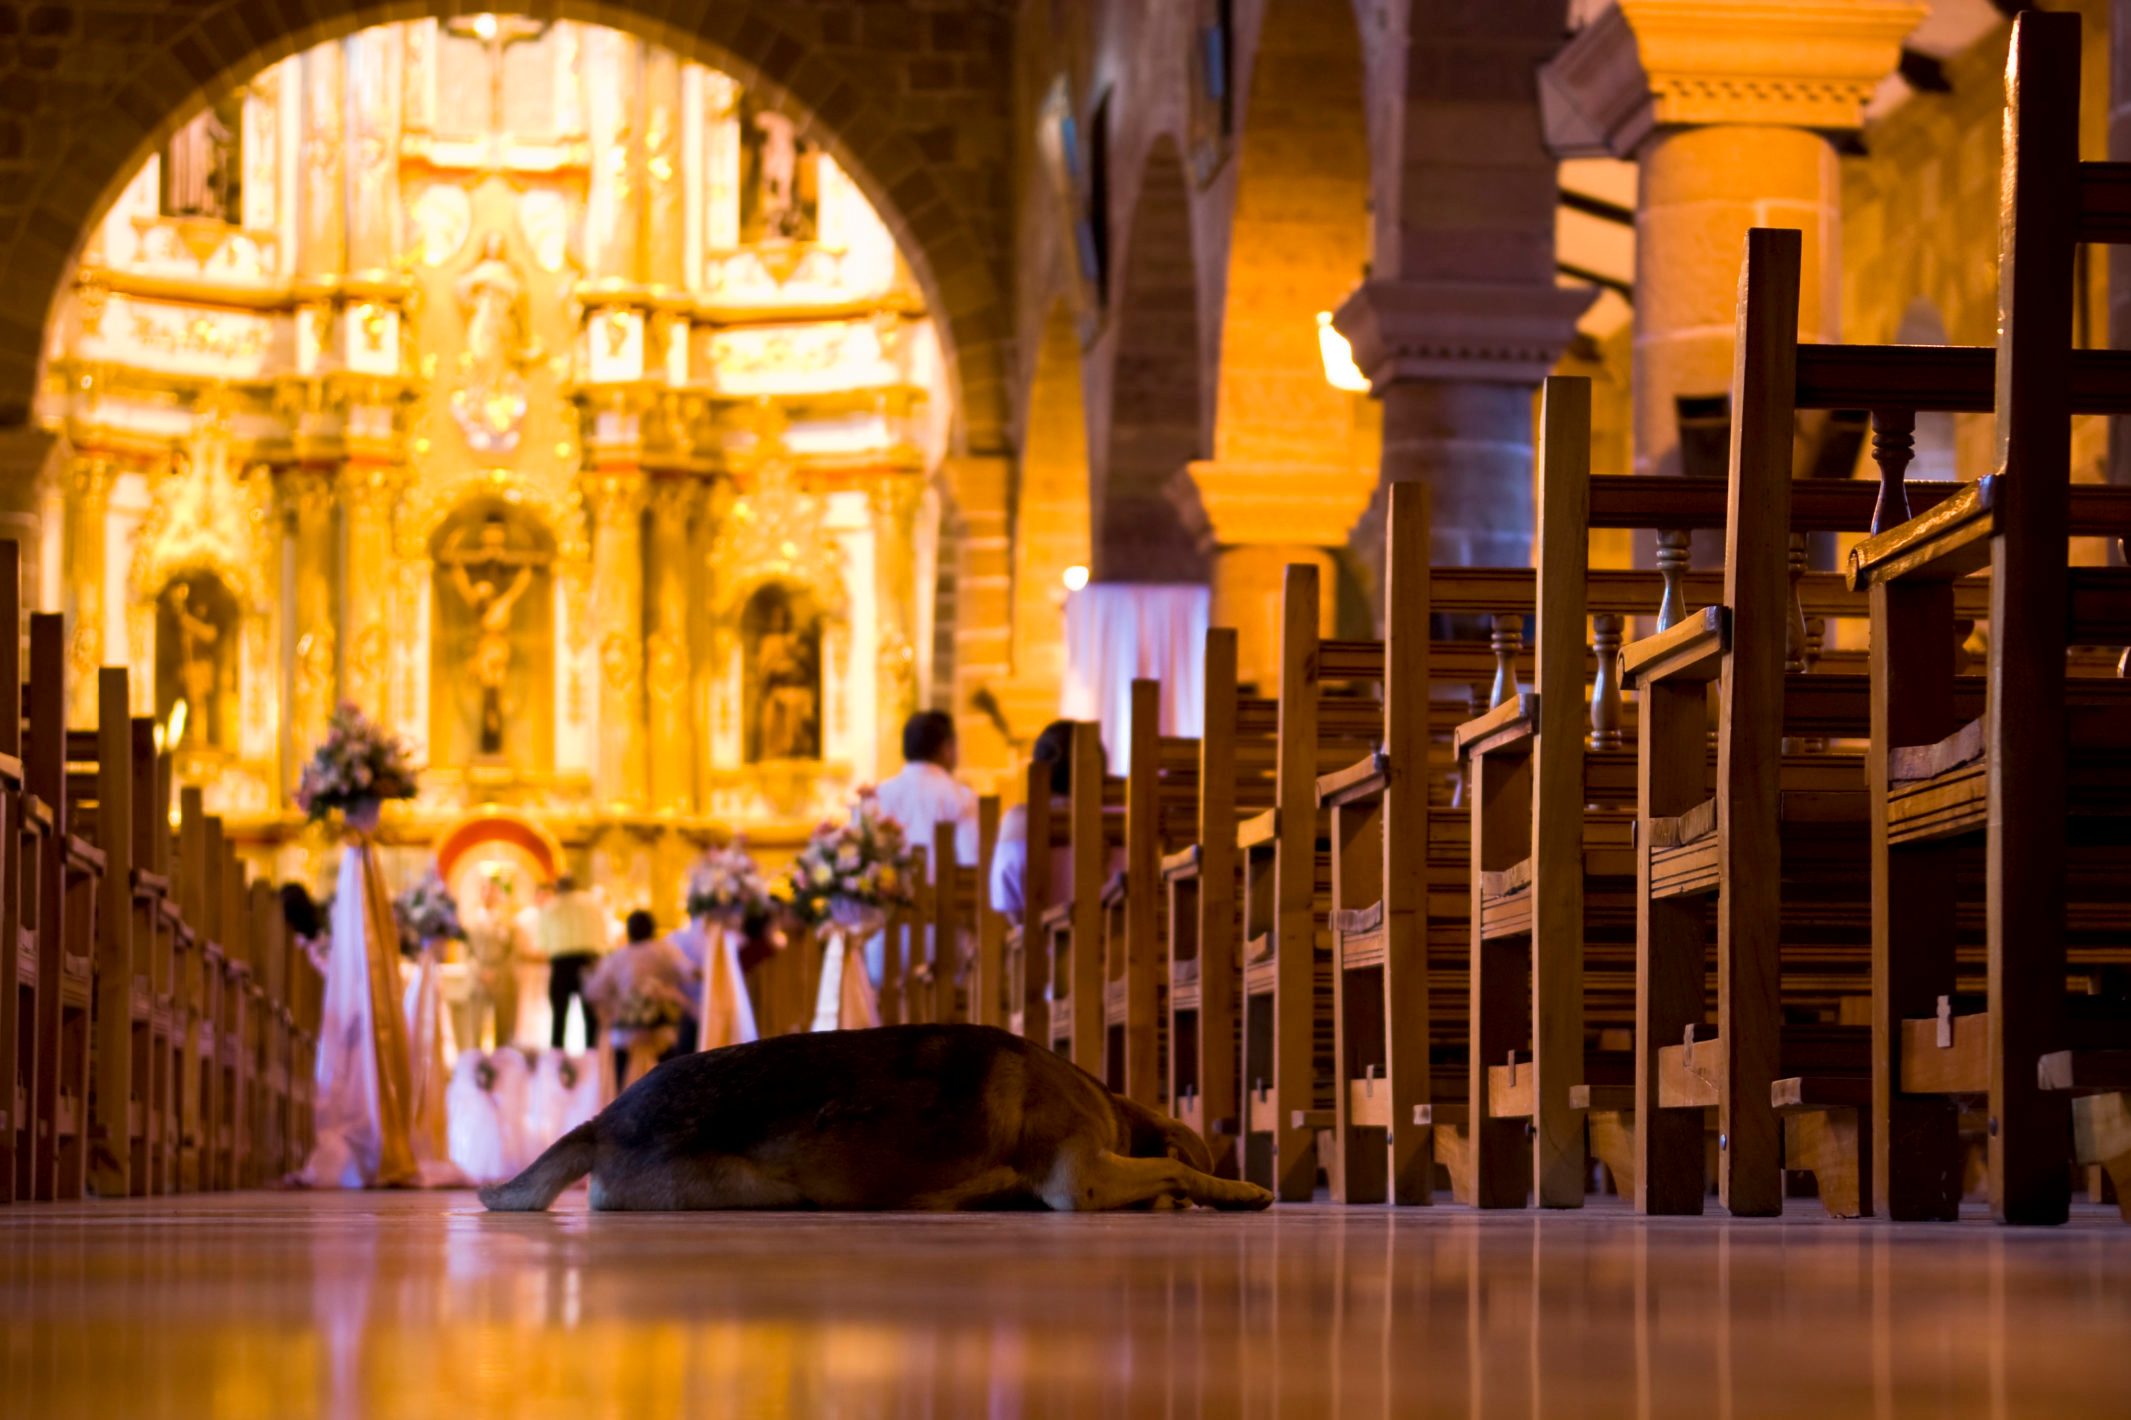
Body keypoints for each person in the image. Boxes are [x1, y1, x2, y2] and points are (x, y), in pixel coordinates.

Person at [586, 910, 697, 1087]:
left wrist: (612, 1009)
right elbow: (689, 972)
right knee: (670, 1060)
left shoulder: (618, 956)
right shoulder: (664, 950)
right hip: (660, 1021)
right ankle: (675, 1091)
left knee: (621, 1057)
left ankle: (619, 1097)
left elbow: (595, 990)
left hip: (626, 1025)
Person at [990, 719, 1086, 920]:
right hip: (1119, 945)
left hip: (1043, 947)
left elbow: (1008, 906)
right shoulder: (1123, 816)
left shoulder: (1018, 822)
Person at [538, 875, 609, 1049]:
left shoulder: (550, 906)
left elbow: (544, 943)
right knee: (590, 1016)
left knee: (559, 1016)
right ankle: (592, 1057)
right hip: (589, 960)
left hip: (561, 962)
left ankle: (557, 1058)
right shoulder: (593, 904)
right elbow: (604, 934)